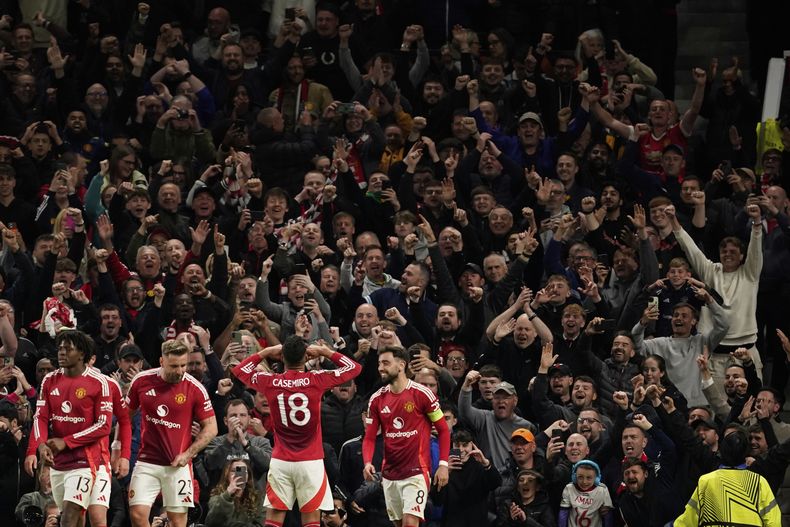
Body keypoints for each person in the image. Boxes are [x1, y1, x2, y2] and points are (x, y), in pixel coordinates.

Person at [232, 336, 361, 527]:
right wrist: (326, 352)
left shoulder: (270, 381)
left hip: (281, 460)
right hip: (310, 461)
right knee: (310, 520)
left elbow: (239, 370)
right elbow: (354, 369)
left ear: (282, 357)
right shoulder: (317, 379)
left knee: (273, 519)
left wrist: (266, 352)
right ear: (307, 356)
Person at [23, 330, 114, 527]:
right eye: (60, 348)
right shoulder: (49, 380)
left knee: (69, 516)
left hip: (86, 461)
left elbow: (104, 425)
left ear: (81, 353)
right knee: (75, 518)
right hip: (58, 463)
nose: (61, 352)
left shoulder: (99, 383)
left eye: (68, 349)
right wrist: (39, 447)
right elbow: (40, 417)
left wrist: (66, 441)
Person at [126, 337, 219, 527]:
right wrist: (119, 448)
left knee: (178, 522)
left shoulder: (195, 388)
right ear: (162, 361)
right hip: (147, 461)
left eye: (183, 365)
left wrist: (188, 454)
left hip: (178, 465)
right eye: (174, 366)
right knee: (137, 515)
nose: (180, 371)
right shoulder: (142, 381)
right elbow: (125, 417)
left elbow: (211, 428)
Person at [363, 345, 451, 527]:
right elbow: (370, 437)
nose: (380, 368)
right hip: (390, 474)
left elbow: (443, 430)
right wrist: (367, 462)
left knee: (410, 523)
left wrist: (443, 465)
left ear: (401, 365)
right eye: (379, 363)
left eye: (386, 363)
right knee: (398, 523)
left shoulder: (422, 394)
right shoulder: (377, 399)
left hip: (416, 472)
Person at [671, 428, 781, 527]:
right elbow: (773, 522)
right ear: (747, 453)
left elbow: (689, 519)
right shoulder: (759, 481)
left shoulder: (707, 480)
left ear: (722, 451)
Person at [558, 460, 612, 527]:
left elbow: (607, 516)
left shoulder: (602, 490)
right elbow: (563, 513)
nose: (584, 482)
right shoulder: (569, 488)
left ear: (596, 479)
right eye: (580, 477)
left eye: (589, 478)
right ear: (574, 477)